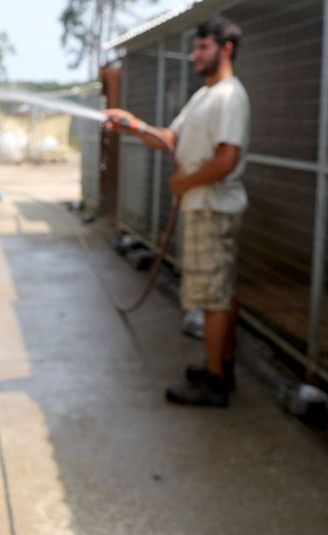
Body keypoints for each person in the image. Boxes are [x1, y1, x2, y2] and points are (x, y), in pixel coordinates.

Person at [104, 17, 250, 407]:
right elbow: (170, 138)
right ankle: (220, 366)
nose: (194, 56)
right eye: (195, 48)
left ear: (226, 49)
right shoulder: (203, 97)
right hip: (203, 208)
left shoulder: (229, 96)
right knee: (217, 293)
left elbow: (228, 157)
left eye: (203, 47)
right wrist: (134, 126)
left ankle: (216, 382)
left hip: (213, 209)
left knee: (213, 296)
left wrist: (187, 183)